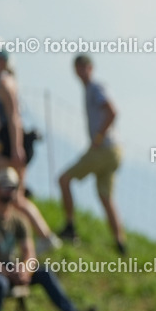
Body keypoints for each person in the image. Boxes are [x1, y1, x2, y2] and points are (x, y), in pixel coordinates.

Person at [0, 168, 96, 311]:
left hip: (11, 270)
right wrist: (8, 273)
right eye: (5, 186)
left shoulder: (19, 220)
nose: (9, 191)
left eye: (13, 187)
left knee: (44, 273)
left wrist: (25, 270)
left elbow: (29, 252)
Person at [0, 49, 59, 253]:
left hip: (10, 148)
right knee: (10, 196)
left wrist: (16, 149)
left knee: (11, 196)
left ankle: (43, 237)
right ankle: (22, 239)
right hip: (5, 146)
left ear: (0, 61)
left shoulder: (5, 84)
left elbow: (14, 117)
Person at [58, 55, 125, 253]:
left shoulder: (96, 88)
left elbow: (112, 111)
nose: (80, 71)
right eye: (77, 68)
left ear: (91, 68)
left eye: (83, 67)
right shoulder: (91, 89)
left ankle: (70, 227)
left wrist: (98, 137)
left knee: (64, 179)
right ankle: (120, 243)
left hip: (104, 149)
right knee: (106, 197)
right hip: (114, 151)